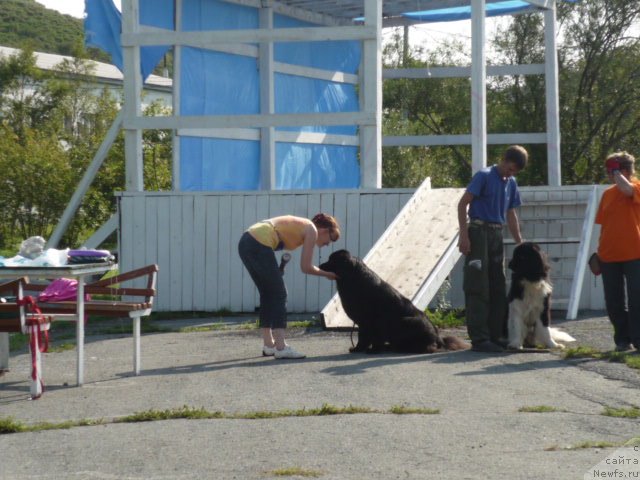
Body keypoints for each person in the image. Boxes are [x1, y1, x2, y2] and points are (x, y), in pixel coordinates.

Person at [238, 213, 340, 359]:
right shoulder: (312, 230)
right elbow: (306, 267)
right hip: (258, 242)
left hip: (247, 241)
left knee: (267, 293)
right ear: (324, 230)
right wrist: (327, 274)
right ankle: (281, 347)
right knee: (280, 294)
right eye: (330, 239)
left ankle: (269, 345)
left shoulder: (304, 226)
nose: (327, 244)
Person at [457, 145, 528, 352]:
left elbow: (511, 214)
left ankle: (496, 335)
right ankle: (479, 338)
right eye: (510, 168)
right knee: (478, 284)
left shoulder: (511, 183)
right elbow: (463, 204)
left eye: (514, 171)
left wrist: (519, 243)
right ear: (504, 160)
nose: (510, 173)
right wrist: (464, 235)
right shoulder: (484, 176)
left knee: (498, 284)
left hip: (497, 233)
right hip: (479, 232)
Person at [594, 151, 640, 353]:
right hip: (609, 256)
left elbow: (628, 190)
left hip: (635, 254)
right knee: (613, 301)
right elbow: (604, 226)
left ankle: (638, 340)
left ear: (624, 171)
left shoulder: (636, 187)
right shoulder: (607, 194)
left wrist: (617, 172)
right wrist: (598, 252)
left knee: (637, 298)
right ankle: (622, 339)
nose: (608, 174)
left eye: (611, 170)